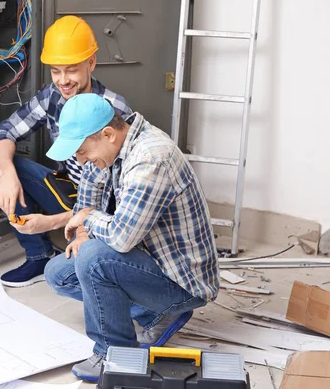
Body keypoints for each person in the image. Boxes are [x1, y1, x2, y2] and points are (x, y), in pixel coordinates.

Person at [43, 93, 219, 382]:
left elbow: (120, 238)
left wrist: (87, 218)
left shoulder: (151, 158)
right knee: (59, 273)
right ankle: (152, 314)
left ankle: (116, 355)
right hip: (146, 257)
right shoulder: (106, 151)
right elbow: (87, 200)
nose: (80, 159)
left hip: (182, 281)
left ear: (108, 134)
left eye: (82, 151)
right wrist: (84, 230)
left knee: (93, 259)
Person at [0, 16, 133, 287]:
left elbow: (118, 199)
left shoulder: (114, 109)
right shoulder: (51, 96)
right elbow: (4, 133)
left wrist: (55, 223)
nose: (63, 80)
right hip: (69, 191)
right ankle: (39, 256)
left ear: (91, 63)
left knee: (76, 274)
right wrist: (8, 174)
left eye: (71, 70)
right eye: (56, 71)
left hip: (104, 205)